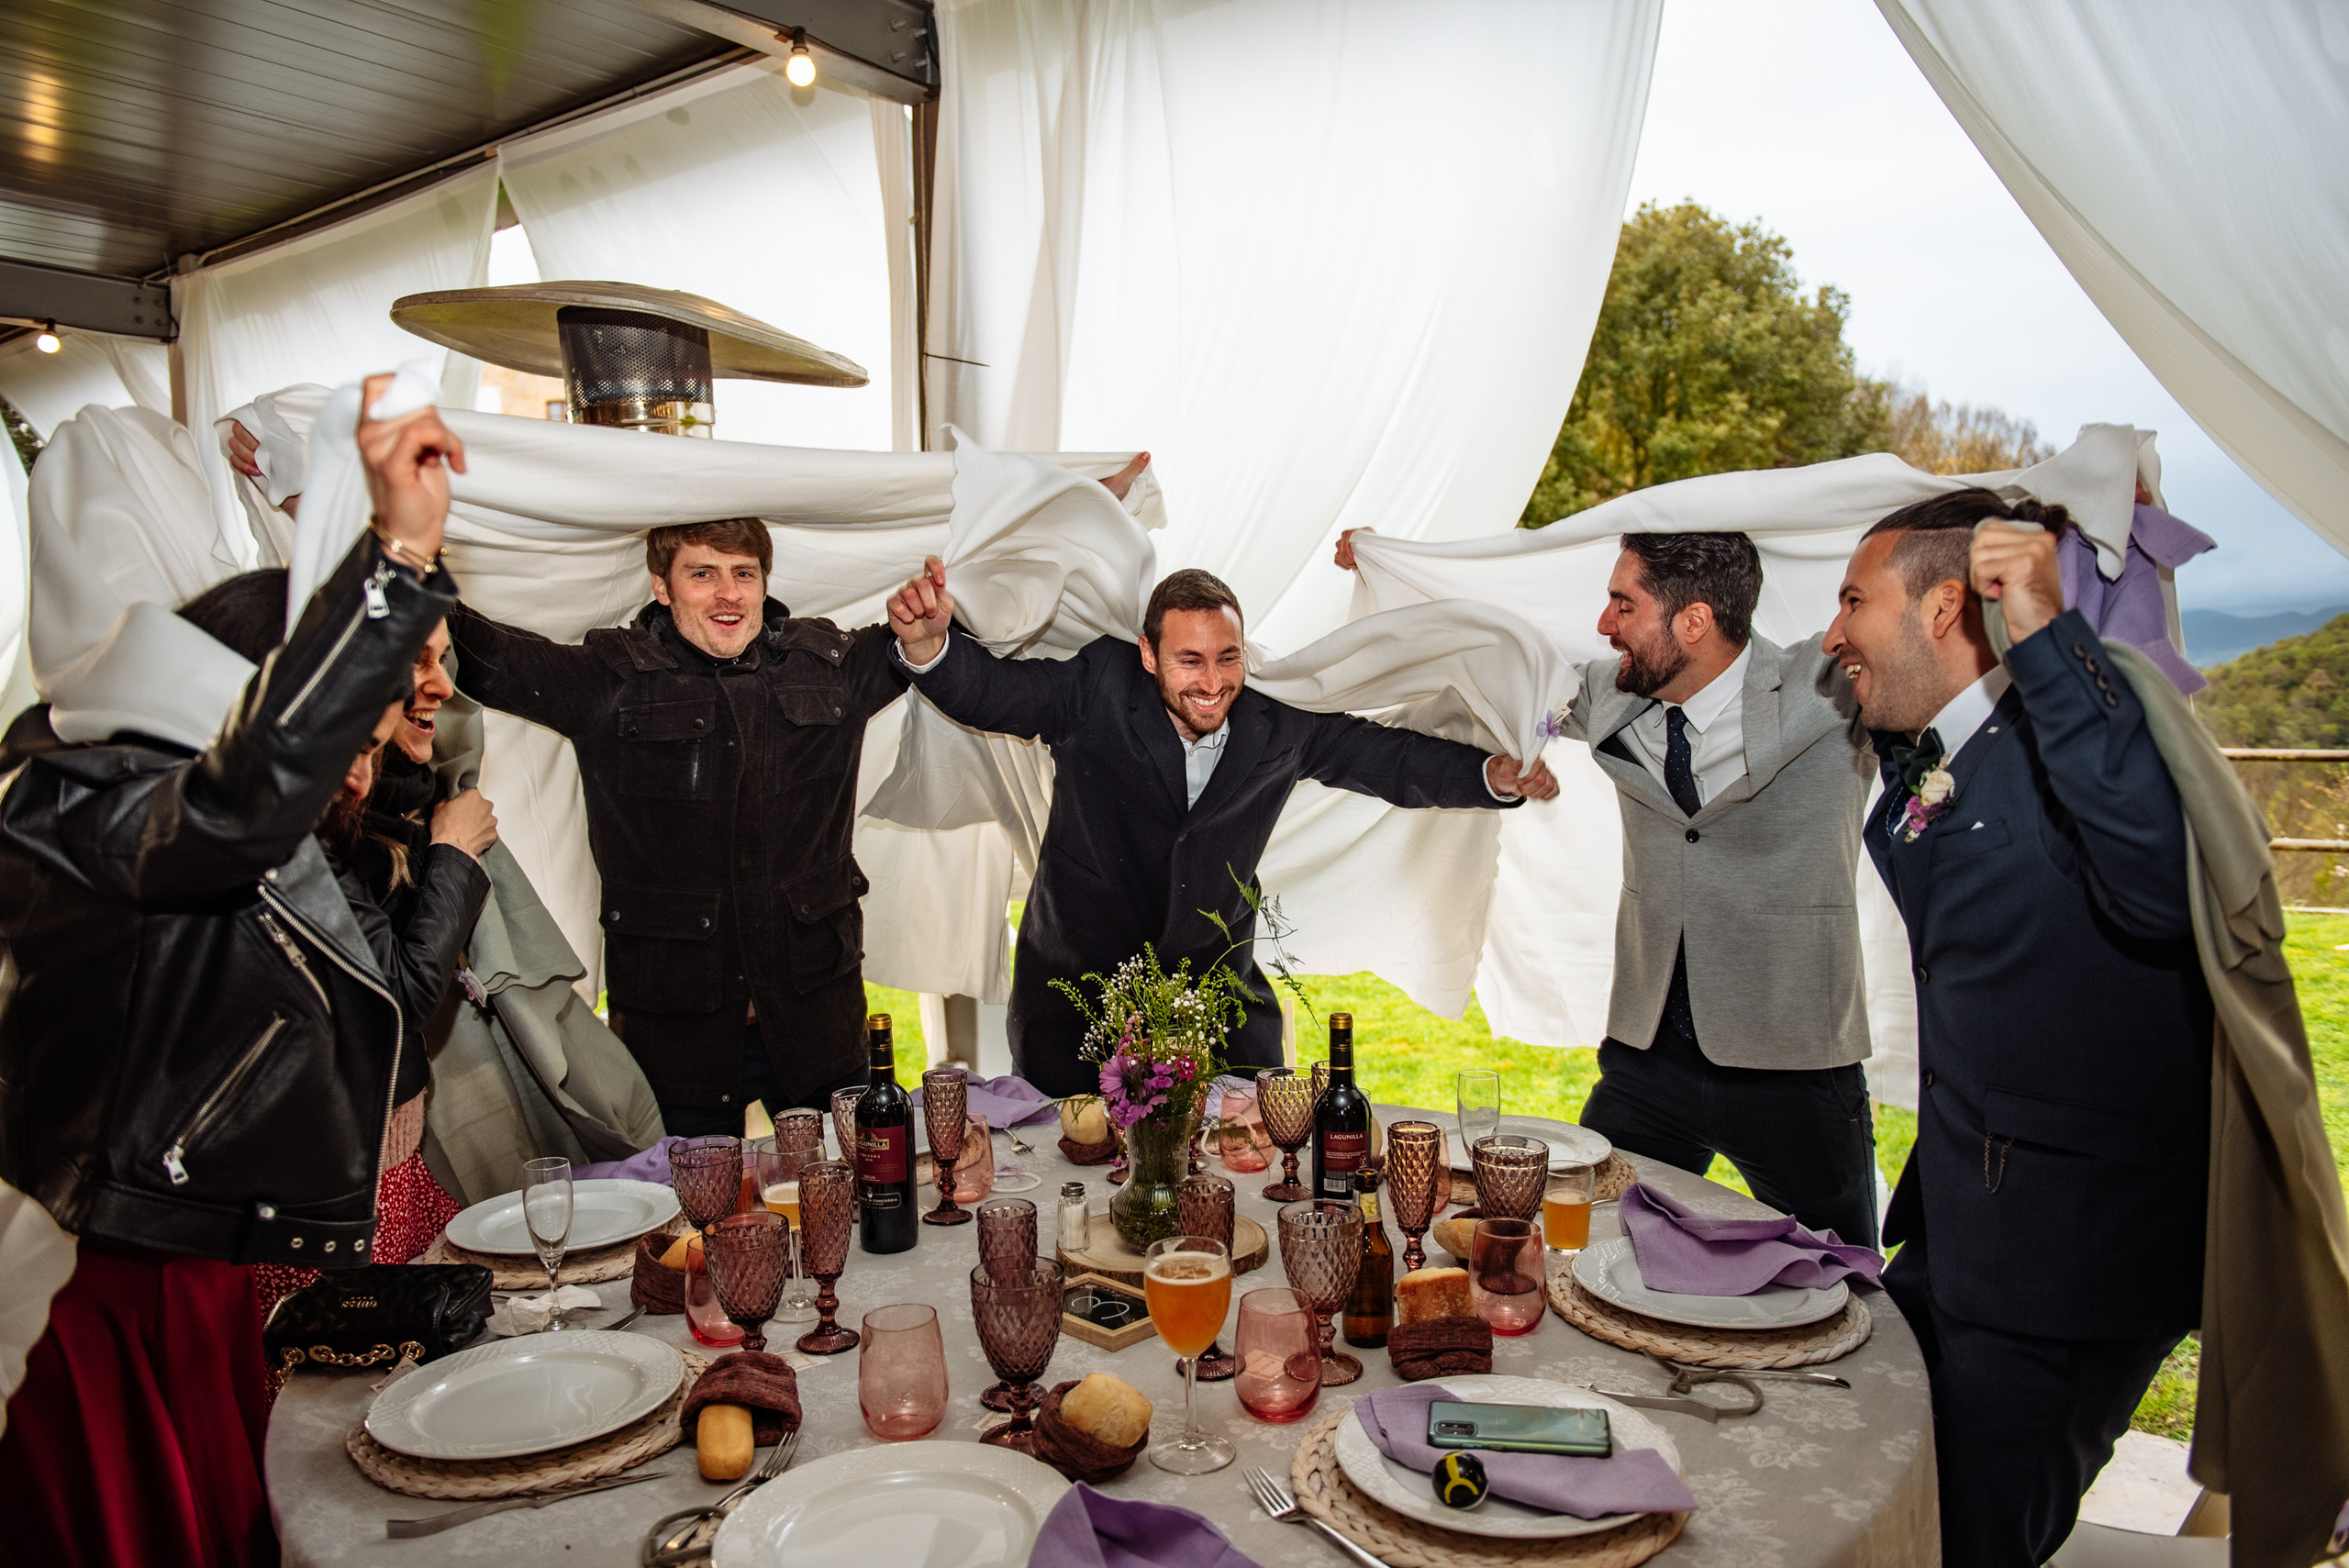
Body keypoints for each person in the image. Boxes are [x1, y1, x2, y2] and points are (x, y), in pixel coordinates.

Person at [0, 380, 464, 1567]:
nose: (355, 771)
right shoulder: (82, 802)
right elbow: (239, 805)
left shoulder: (179, 806)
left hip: (196, 1265)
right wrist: (397, 553)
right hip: (101, 1289)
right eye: (338, 743)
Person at [1822, 489, 2210, 1567]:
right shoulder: (1956, 752)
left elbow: (2156, 884)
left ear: (1945, 607)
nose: (1833, 631)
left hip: (2067, 1264)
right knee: (1878, 1492)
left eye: (1855, 598)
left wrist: (2045, 630)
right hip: (1959, 1231)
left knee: (1973, 1544)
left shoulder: (2083, 746)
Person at [1344, 527, 1883, 1247]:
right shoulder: (1611, 694)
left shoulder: (1831, 689)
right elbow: (1505, 672)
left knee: (1845, 1270)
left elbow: (1930, 637)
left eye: (1622, 606)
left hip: (1796, 1063)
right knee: (1578, 1239)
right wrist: (1403, 566)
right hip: (1649, 1057)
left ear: (1695, 620)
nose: (1604, 625)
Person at [885, 558, 1559, 1095]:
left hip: (1220, 1005)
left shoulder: (1278, 720)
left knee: (1252, 1178)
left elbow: (1385, 757)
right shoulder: (1097, 689)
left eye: (1227, 657)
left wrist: (1491, 776)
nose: (1212, 682)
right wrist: (929, 646)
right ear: (1149, 654)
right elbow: (998, 694)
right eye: (1190, 660)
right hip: (1076, 1003)